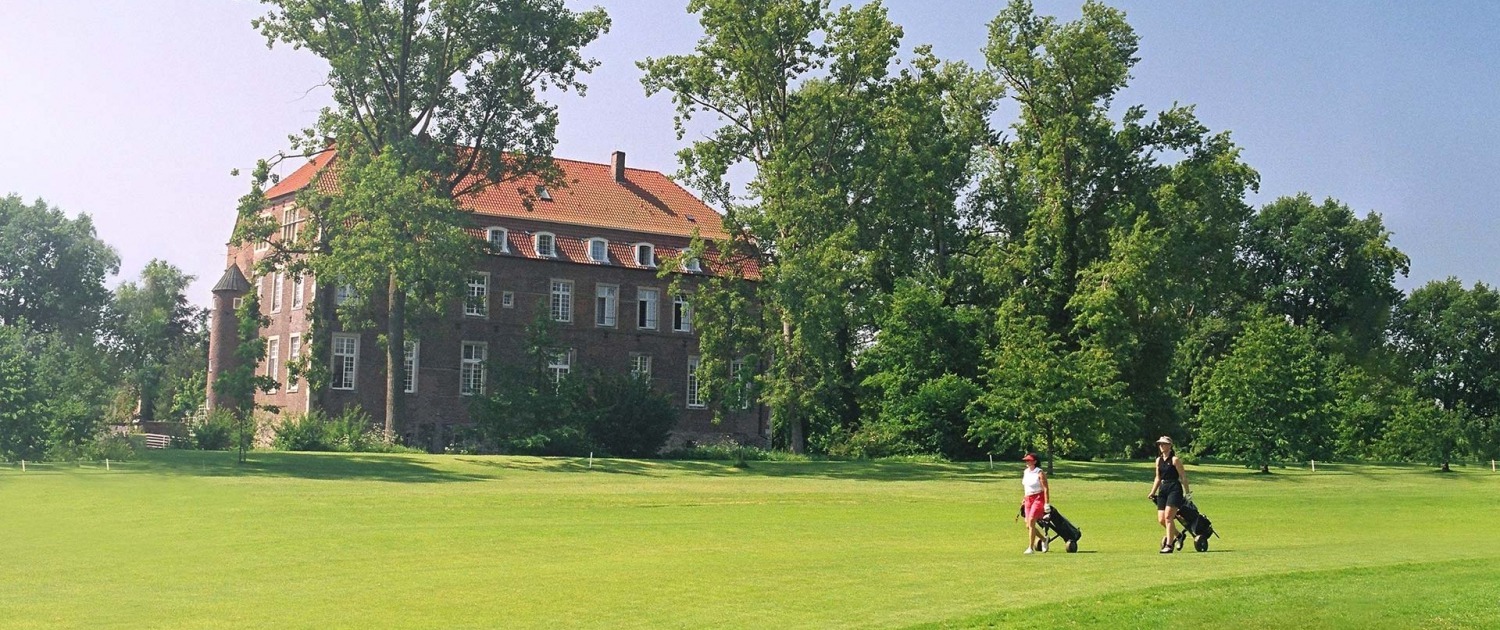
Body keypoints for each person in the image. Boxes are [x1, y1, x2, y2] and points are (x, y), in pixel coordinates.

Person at [1148, 436, 1191, 554]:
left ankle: (1169, 545)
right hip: (1163, 489)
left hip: (1174, 489)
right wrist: (1152, 491)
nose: (1162, 446)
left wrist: (1188, 493)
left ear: (1170, 446)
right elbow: (1158, 477)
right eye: (1160, 444)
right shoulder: (1158, 460)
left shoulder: (1175, 460)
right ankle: (1179, 535)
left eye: (1164, 444)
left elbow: (1183, 477)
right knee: (1161, 519)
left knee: (1168, 517)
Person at [1020, 453, 1050, 554]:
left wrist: (1047, 504)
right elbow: (1026, 487)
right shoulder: (1026, 472)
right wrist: (1024, 498)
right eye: (1026, 460)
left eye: (1029, 460)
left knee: (1032, 520)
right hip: (1028, 498)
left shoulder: (1040, 472)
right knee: (1028, 525)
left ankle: (1030, 548)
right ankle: (1044, 539)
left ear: (1035, 462)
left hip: (1038, 497)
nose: (1027, 462)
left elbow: (1045, 488)